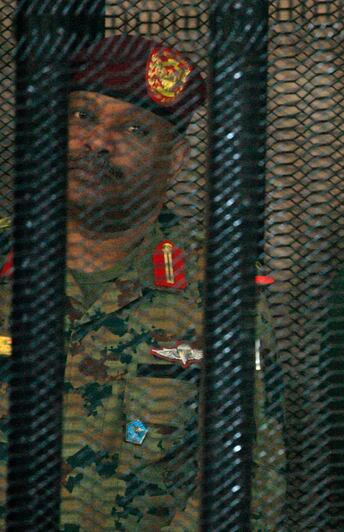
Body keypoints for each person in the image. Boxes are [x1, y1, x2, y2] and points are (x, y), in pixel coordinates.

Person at [0, 35, 284, 529]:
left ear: (175, 159)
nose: (98, 142)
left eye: (132, 129)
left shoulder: (214, 288)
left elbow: (253, 476)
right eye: (83, 116)